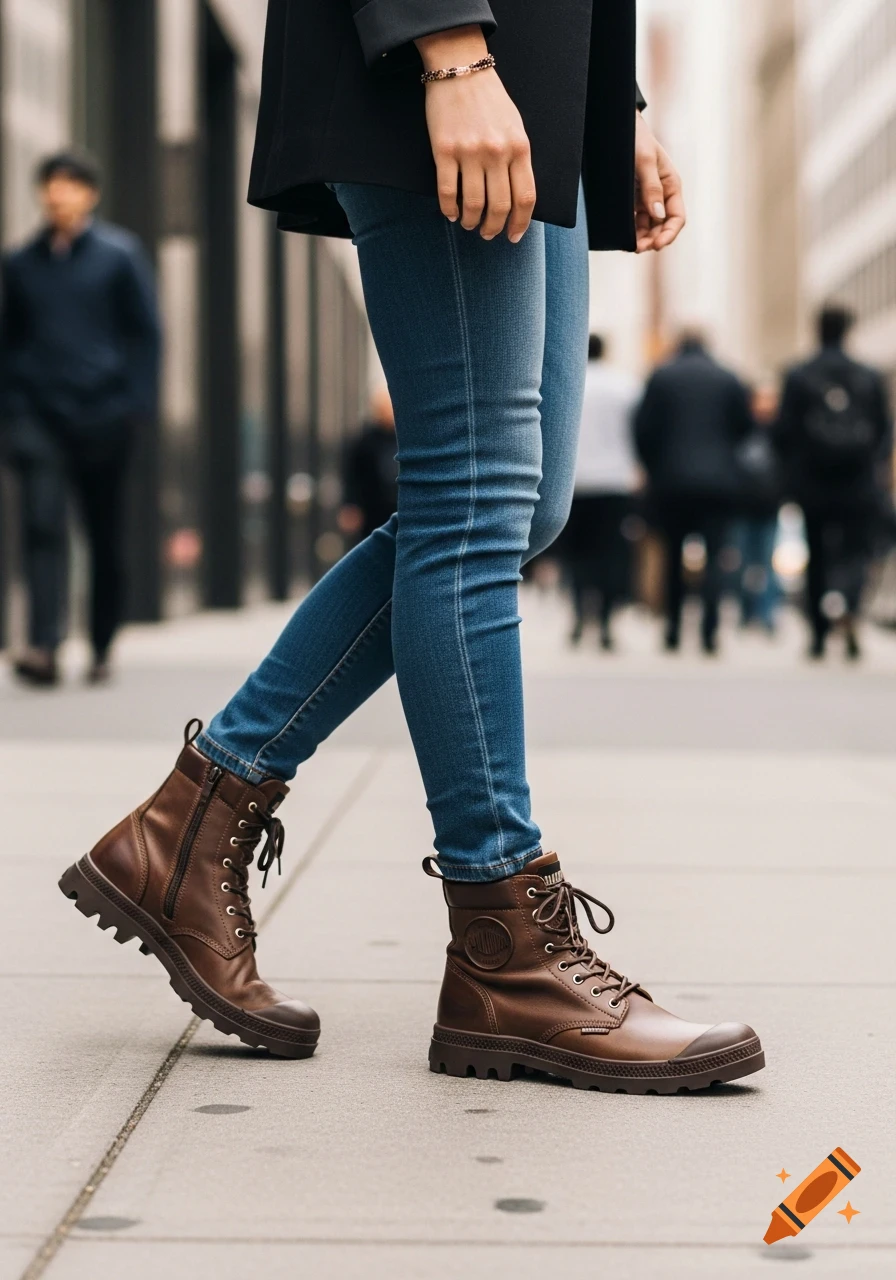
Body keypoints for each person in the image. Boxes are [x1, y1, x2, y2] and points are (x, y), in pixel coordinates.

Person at [60, 3, 763, 1093]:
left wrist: (606, 96)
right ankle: (505, 948)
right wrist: (445, 44)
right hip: (447, 55)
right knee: (474, 495)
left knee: (515, 507)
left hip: (537, 69)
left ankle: (190, 823)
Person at [0, 151, 161, 686]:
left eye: (68, 185)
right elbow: (10, 341)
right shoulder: (20, 264)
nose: (57, 194)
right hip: (39, 416)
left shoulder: (119, 256)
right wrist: (14, 409)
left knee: (103, 532)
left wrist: (135, 407)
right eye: (49, 185)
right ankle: (44, 647)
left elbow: (145, 333)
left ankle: (101, 643)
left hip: (104, 416)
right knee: (42, 526)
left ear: (89, 194)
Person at [775, 305, 892, 661]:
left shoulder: (799, 375)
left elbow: (783, 432)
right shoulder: (868, 376)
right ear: (848, 330)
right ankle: (851, 610)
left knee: (818, 553)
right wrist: (874, 467)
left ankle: (818, 635)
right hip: (858, 481)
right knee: (857, 551)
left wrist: (793, 470)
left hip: (813, 482)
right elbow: (884, 431)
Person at [635, 331, 753, 654]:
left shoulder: (661, 377)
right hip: (718, 485)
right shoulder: (728, 378)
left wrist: (655, 466)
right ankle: (710, 632)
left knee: (673, 557)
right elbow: (744, 428)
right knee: (715, 558)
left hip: (671, 483)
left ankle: (673, 629)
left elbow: (643, 430)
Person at [561, 334, 641, 650]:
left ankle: (580, 616)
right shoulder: (625, 386)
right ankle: (607, 621)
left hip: (576, 481)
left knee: (577, 555)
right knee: (610, 553)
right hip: (615, 480)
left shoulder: (570, 385)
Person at [732, 381, 783, 633]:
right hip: (743, 505)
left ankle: (767, 614)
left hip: (769, 506)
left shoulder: (780, 432)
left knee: (767, 563)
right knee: (742, 563)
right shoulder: (741, 428)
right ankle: (745, 612)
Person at [338, 385, 399, 542]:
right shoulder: (365, 440)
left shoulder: (404, 439)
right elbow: (352, 476)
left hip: (399, 508)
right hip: (371, 509)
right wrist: (351, 505)